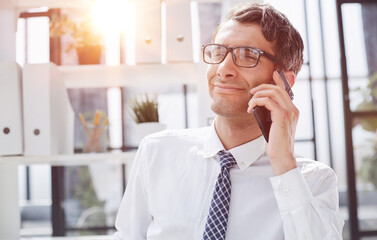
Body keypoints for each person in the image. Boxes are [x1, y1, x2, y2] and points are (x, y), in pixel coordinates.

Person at [114, 2, 344, 239]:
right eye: (217, 53)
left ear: (283, 82)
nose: (223, 69)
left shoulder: (313, 180)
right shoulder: (156, 152)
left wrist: (284, 162)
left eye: (246, 55)